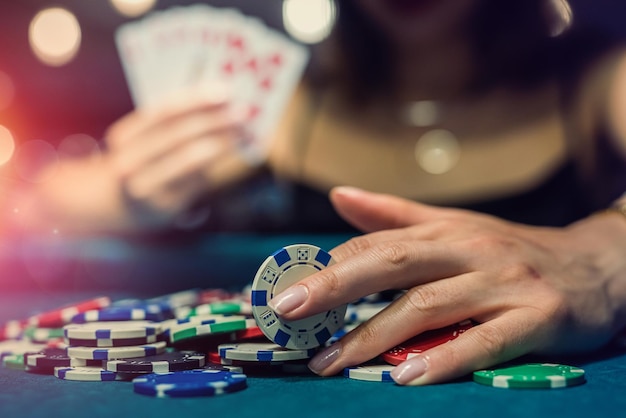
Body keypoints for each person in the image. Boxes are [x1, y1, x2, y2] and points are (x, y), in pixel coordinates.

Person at [4, 0, 626, 384]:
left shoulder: (602, 80)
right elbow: (30, 202)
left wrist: (604, 252)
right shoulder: (276, 106)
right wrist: (122, 195)